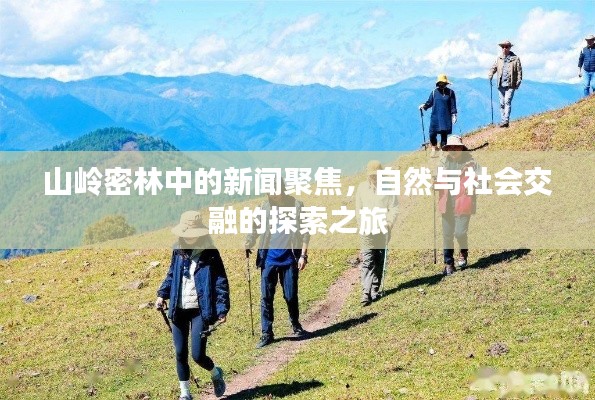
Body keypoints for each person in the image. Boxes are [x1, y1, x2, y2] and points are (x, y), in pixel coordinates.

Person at [156, 210, 230, 400]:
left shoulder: (210, 253)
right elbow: (171, 275)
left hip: (200, 310)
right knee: (180, 353)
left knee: (197, 355)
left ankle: (215, 373)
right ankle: (185, 394)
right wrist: (162, 295)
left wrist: (222, 309)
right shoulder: (177, 250)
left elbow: (220, 282)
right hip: (178, 308)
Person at [245, 181, 310, 349]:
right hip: (268, 259)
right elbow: (255, 227)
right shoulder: (263, 207)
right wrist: (249, 242)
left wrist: (303, 255)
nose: (271, 195)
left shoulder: (296, 206)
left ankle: (295, 324)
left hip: (290, 259)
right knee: (266, 297)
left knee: (290, 295)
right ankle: (267, 333)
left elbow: (305, 232)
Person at [355, 160, 398, 306]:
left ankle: (375, 288)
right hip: (366, 230)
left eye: (376, 175)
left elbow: (394, 208)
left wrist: (389, 222)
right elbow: (358, 209)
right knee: (368, 260)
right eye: (372, 175)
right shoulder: (361, 188)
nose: (374, 177)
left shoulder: (389, 188)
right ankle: (365, 293)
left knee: (379, 259)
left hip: (382, 229)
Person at [435, 136, 479, 276]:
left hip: (463, 203)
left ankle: (463, 252)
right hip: (446, 203)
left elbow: (483, 181)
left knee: (460, 232)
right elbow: (437, 182)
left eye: (456, 147)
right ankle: (449, 264)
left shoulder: (471, 163)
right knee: (447, 235)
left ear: (462, 148)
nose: (453, 150)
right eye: (450, 148)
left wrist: (475, 181)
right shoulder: (442, 163)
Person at [419, 74, 458, 158]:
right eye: (440, 83)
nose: (441, 84)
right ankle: (434, 148)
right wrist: (424, 106)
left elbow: (453, 105)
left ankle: (443, 151)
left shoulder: (450, 92)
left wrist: (454, 114)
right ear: (438, 83)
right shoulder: (434, 92)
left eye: (443, 83)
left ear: (446, 83)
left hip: (446, 117)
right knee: (432, 133)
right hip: (435, 117)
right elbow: (429, 102)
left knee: (444, 134)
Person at [488, 40, 522, 128]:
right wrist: (490, 74)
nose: (504, 48)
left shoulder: (515, 58)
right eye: (503, 47)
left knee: (507, 101)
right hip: (501, 84)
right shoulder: (499, 59)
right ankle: (503, 120)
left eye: (506, 47)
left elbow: (519, 71)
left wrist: (518, 81)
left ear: (509, 47)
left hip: (511, 84)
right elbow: (494, 67)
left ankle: (506, 120)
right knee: (502, 103)